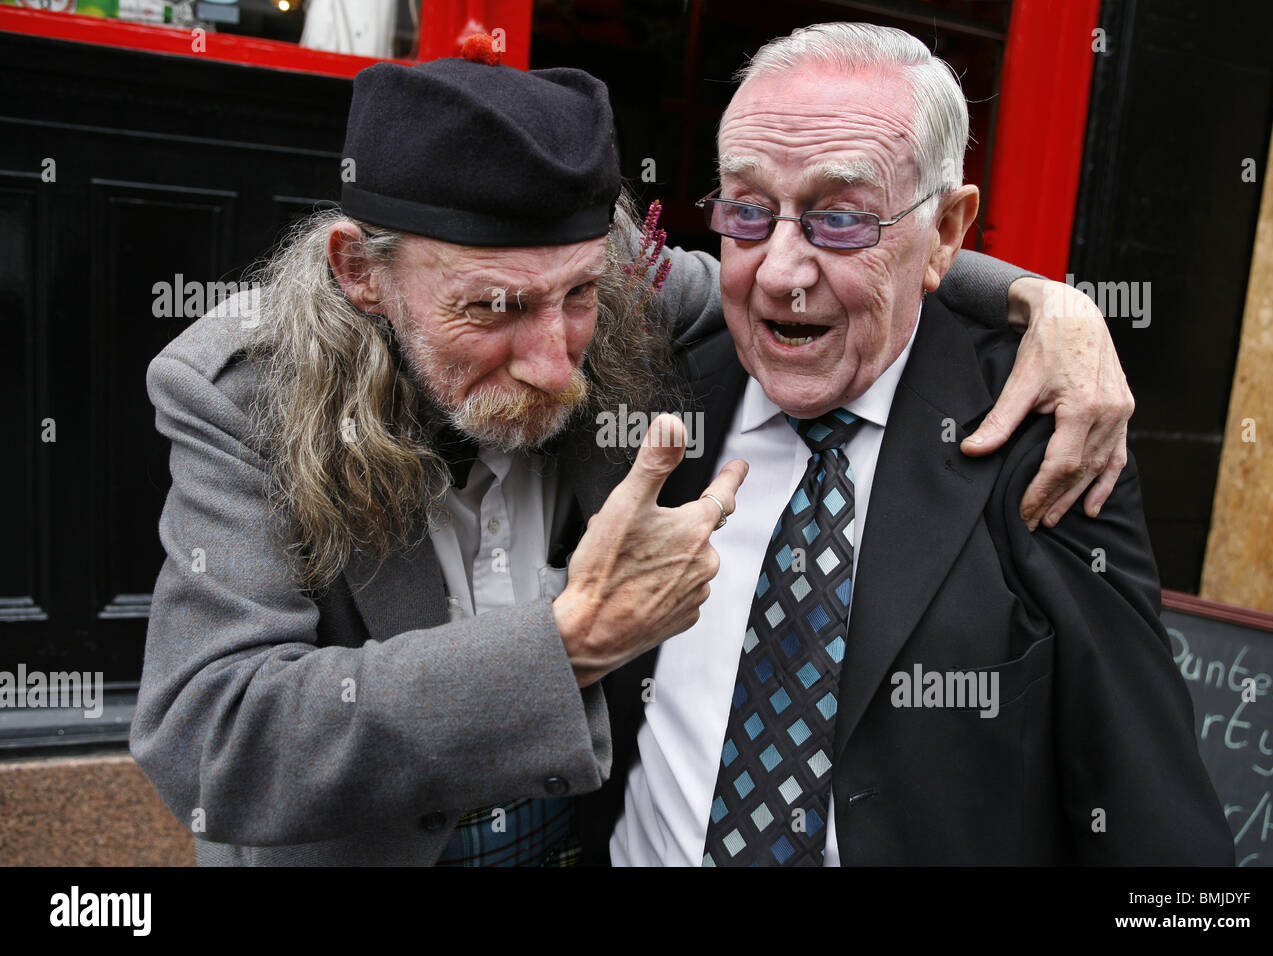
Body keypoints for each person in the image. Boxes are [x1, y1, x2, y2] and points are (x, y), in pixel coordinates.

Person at [131, 39, 1136, 866]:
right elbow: (211, 738)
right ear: (362, 271)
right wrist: (564, 644)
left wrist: (1048, 301)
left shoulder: (619, 302)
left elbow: (821, 262)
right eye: (492, 308)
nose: (552, 359)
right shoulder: (246, 395)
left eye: (576, 296)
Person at [603, 22, 1234, 866]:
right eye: (749, 212)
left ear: (945, 233)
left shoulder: (1045, 435)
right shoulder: (651, 389)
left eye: (842, 219)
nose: (783, 271)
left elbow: (1156, 821)